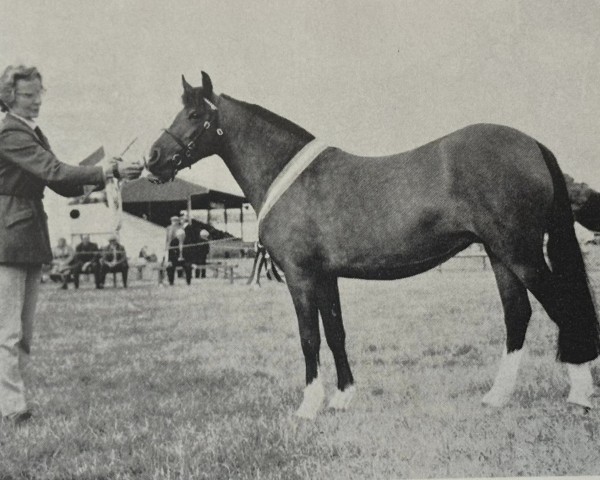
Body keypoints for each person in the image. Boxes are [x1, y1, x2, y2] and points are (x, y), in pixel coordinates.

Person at [0, 65, 143, 423]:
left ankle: (12, 402)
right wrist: (105, 171)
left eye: (39, 94)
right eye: (28, 95)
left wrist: (106, 173)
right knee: (9, 330)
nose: (36, 102)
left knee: (23, 331)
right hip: (8, 233)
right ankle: (12, 408)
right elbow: (55, 173)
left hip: (26, 232)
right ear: (8, 95)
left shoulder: (29, 130)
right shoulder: (10, 132)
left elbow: (62, 183)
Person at [164, 215, 192, 285]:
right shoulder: (169, 229)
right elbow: (167, 240)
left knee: (188, 266)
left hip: (183, 259)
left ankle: (187, 281)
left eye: (176, 221)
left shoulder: (186, 240)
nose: (174, 222)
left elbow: (189, 253)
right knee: (169, 266)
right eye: (173, 221)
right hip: (174, 256)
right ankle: (170, 281)